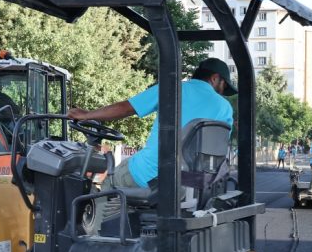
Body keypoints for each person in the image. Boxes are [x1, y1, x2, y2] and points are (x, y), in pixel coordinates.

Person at [68, 57, 236, 192]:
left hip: (148, 174)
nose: (222, 92)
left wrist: (87, 115)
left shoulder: (172, 88)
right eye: (224, 87)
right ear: (214, 78)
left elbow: (125, 108)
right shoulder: (225, 108)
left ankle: (94, 231)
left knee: (105, 190)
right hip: (190, 183)